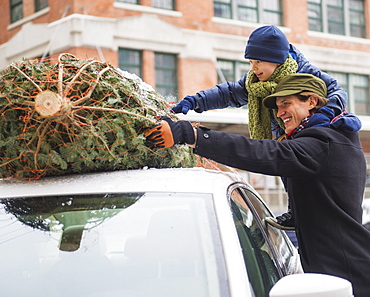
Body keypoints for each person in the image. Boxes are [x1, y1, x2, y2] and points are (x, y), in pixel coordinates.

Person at [144, 73, 370, 297]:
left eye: (286, 104)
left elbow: (264, 154)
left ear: (311, 101)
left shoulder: (324, 143)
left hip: (346, 276)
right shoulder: (328, 138)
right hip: (335, 269)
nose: (279, 113)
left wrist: (192, 135)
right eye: (278, 106)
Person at [171, 25, 348, 230]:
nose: (253, 68)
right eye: (251, 62)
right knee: (288, 171)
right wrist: (195, 101)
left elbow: (337, 91)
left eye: (258, 62)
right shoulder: (255, 82)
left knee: (305, 175)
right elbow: (228, 93)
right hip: (286, 136)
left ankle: (310, 213)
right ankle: (297, 213)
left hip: (314, 134)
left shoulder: (304, 73)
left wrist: (325, 114)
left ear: (276, 58)